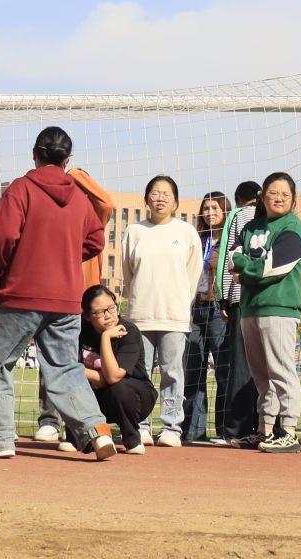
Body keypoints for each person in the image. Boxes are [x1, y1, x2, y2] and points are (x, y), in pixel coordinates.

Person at [0, 127, 114, 460]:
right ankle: (97, 430)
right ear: (67, 160)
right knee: (65, 368)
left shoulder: (22, 188)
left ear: (35, 154)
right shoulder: (78, 197)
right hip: (66, 298)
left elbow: (1, 236)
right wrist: (64, 255)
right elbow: (96, 241)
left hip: (23, 293)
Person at [232, 171, 301, 452]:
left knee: (281, 370)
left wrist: (246, 273)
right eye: (273, 193)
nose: (278, 198)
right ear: (262, 197)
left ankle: (289, 430)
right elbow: (233, 257)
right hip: (250, 308)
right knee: (261, 374)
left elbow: (274, 267)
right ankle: (265, 429)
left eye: (285, 194)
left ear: (293, 199)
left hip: (279, 308)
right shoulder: (251, 226)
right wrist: (248, 268)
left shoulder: (293, 226)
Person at [121, 175, 199, 447]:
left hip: (174, 316)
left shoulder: (186, 232)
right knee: (139, 374)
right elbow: (128, 273)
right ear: (146, 199)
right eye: (155, 193)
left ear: (176, 201)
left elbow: (192, 276)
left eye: (167, 194)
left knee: (172, 373)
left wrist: (181, 302)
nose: (160, 198)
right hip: (140, 315)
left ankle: (171, 427)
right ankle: (140, 425)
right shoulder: (134, 231)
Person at [209, 180, 261, 445]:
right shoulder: (275, 216)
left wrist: (224, 298)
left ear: (239, 199)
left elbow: (227, 258)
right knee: (267, 366)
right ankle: (266, 426)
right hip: (269, 300)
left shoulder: (238, 216)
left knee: (240, 364)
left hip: (241, 298)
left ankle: (235, 429)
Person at [79, 285, 154, 454]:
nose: (108, 315)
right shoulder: (80, 331)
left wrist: (105, 337)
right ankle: (80, 438)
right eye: (100, 312)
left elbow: (113, 377)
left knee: (119, 387)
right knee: (70, 384)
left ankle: (132, 439)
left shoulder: (129, 331)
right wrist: (93, 376)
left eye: (111, 308)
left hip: (134, 397)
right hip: (96, 393)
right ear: (87, 316)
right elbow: (70, 369)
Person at [182, 190, 232, 444]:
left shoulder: (229, 240)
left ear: (225, 211)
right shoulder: (198, 239)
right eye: (206, 208)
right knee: (193, 371)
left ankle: (224, 430)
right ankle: (193, 430)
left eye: (215, 208)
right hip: (194, 308)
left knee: (223, 371)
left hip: (218, 310)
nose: (210, 213)